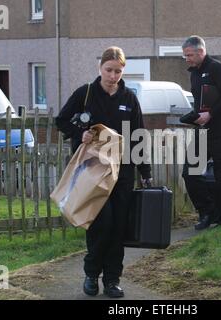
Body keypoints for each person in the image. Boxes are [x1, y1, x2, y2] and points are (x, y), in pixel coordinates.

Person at [55, 46, 152, 298]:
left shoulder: (129, 98)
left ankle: (112, 280)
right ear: (100, 68)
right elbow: (61, 120)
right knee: (102, 222)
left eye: (118, 71)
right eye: (109, 70)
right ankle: (91, 275)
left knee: (119, 225)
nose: (113, 76)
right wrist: (80, 134)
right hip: (92, 169)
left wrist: (145, 171)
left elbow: (138, 135)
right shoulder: (85, 94)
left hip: (123, 171)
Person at [181, 35, 221, 230]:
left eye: (189, 55)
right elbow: (199, 103)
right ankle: (207, 212)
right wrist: (194, 116)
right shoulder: (194, 74)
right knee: (190, 173)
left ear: (200, 51)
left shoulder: (216, 68)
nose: (186, 59)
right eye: (185, 55)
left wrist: (211, 114)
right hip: (202, 130)